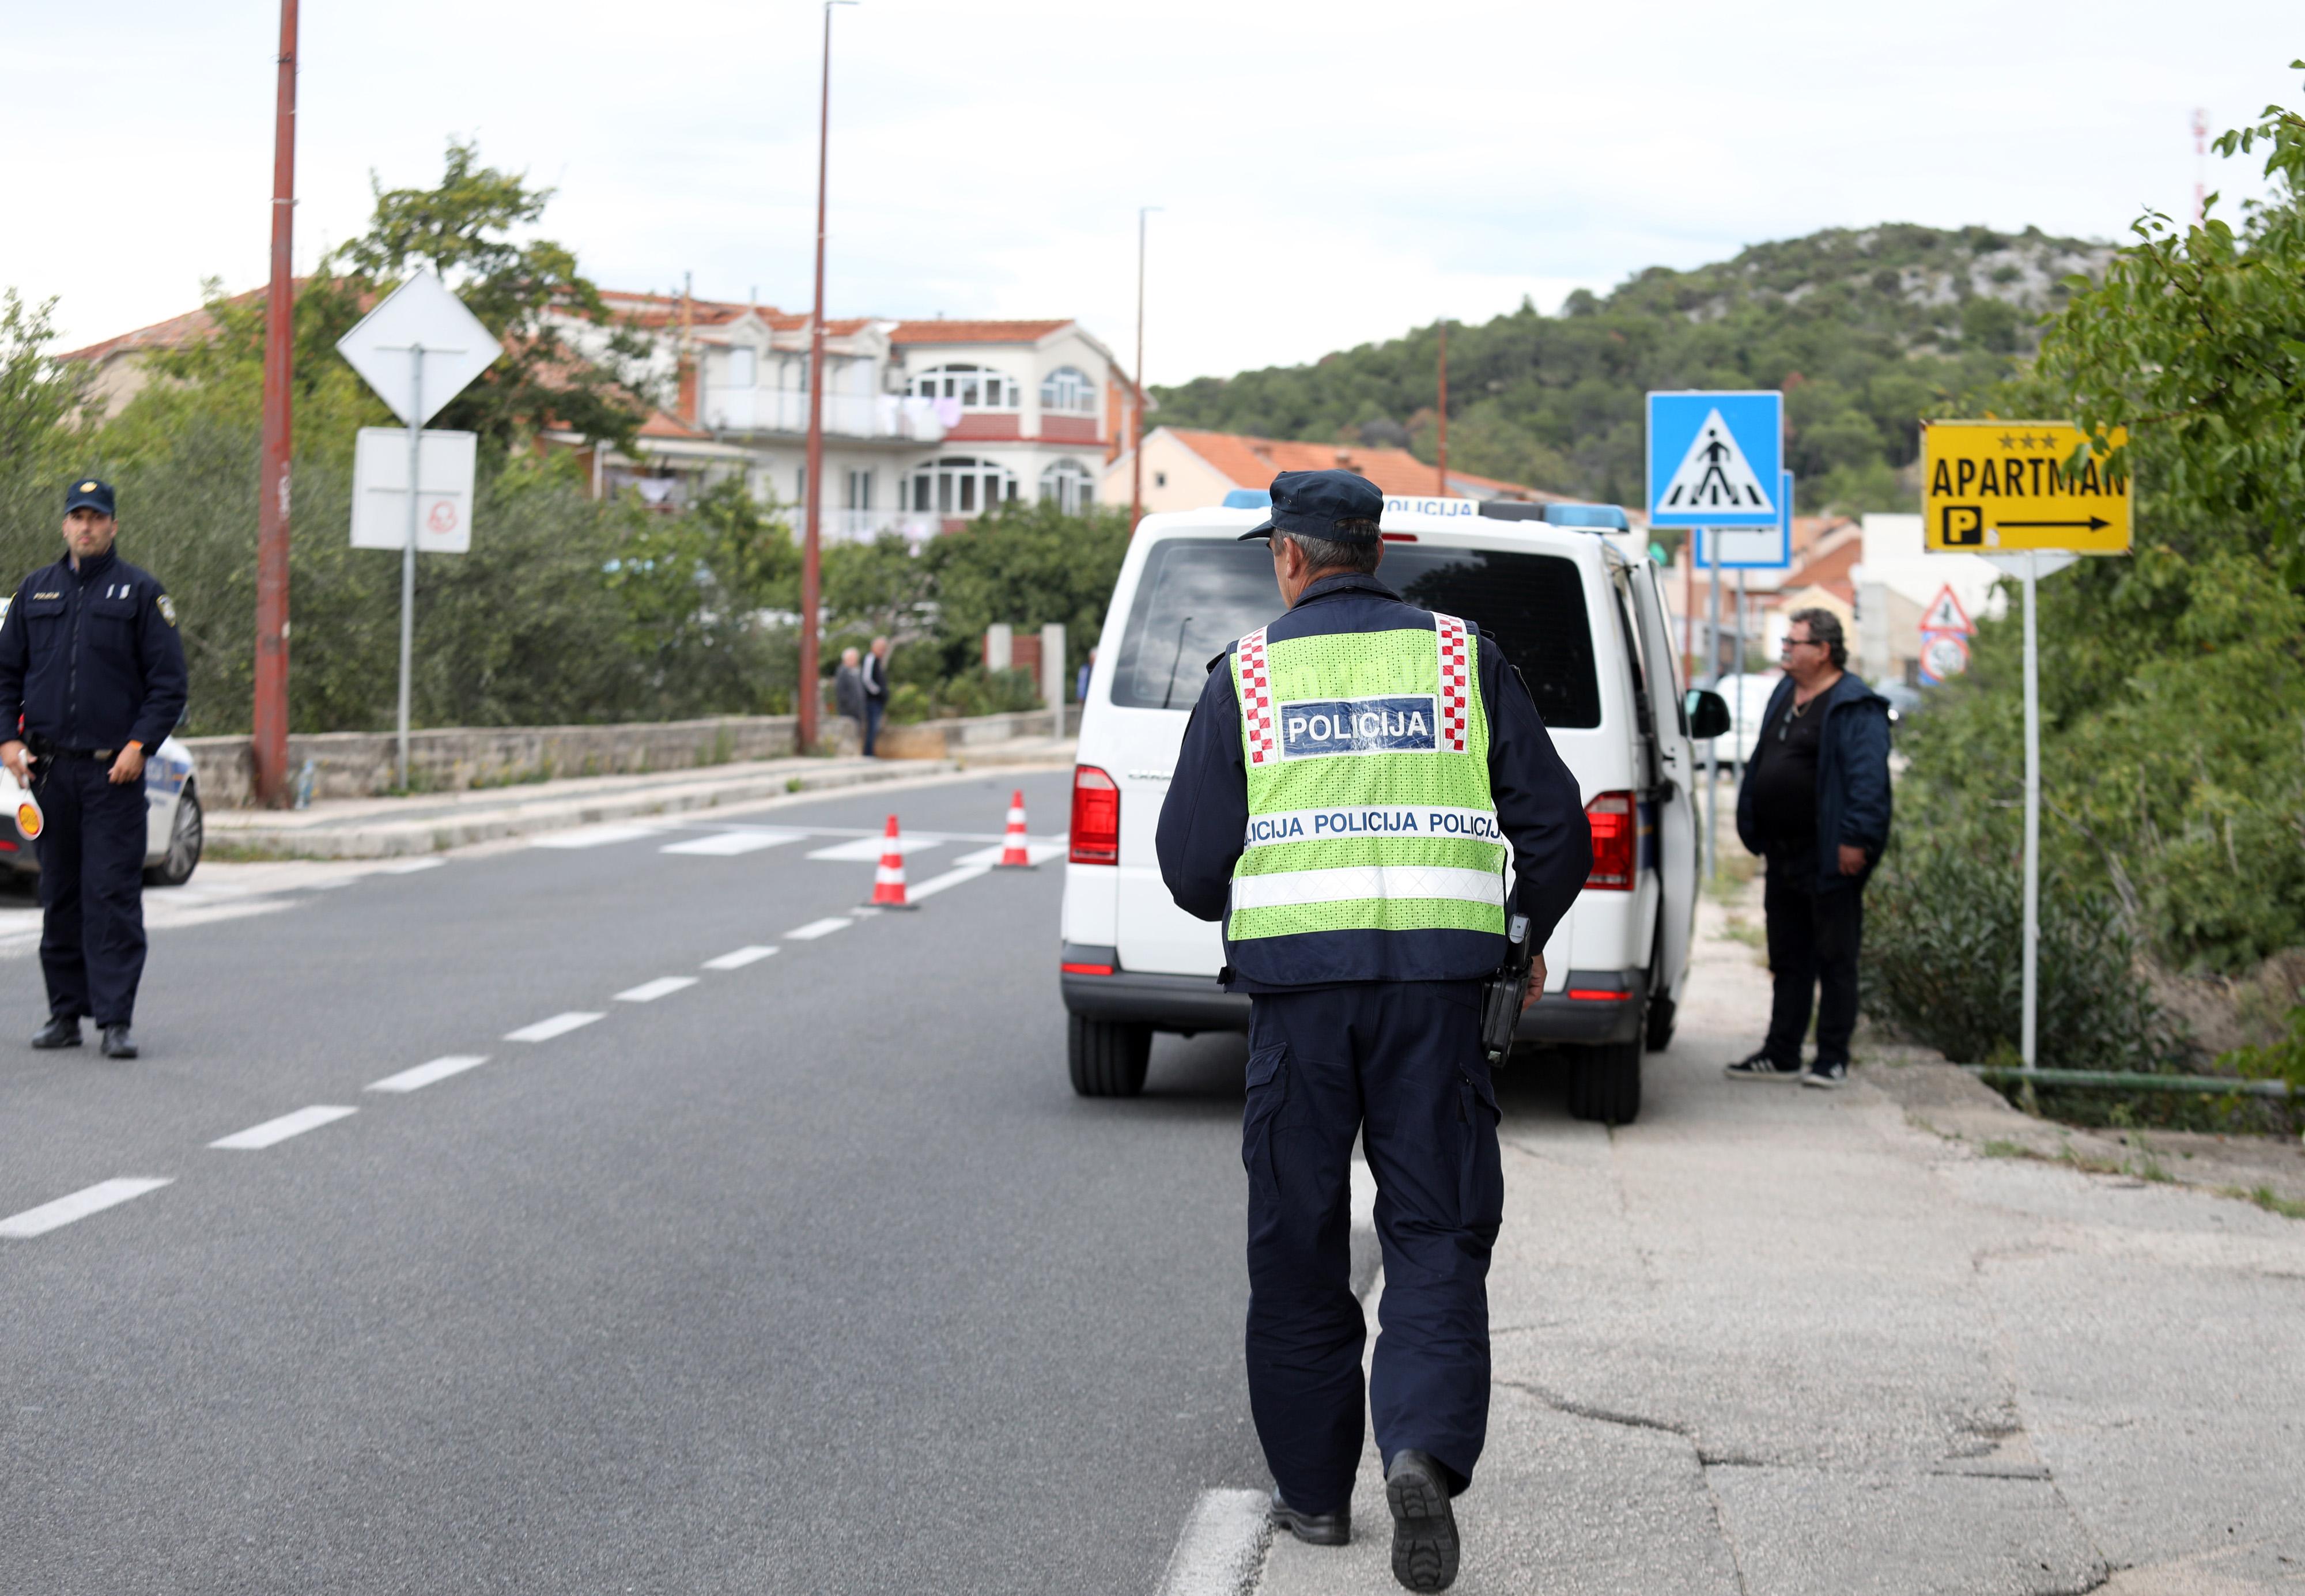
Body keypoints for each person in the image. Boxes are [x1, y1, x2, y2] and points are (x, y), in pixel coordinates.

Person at [1156, 469, 1590, 1592]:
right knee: (1434, 1229)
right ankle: (1418, 1448)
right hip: (1438, 996)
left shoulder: (1244, 675)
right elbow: (1556, 831)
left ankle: (1312, 1495)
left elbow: (1191, 871)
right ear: (1373, 548)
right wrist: (1521, 931)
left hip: (1298, 1000)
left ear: (1290, 556)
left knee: (1297, 1240)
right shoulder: (1460, 659)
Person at [0, 479, 188, 1060]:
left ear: (113, 526)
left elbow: (168, 684)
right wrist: (8, 740)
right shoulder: (36, 592)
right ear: (64, 525)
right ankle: (64, 1014)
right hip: (51, 775)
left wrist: (140, 745)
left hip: (115, 777)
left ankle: (115, 1020)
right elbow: (6, 677)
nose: (86, 527)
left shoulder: (140, 593)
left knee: (111, 896)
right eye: (77, 517)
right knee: (58, 895)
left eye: (97, 518)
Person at [1725, 608, 1891, 1089]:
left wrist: (1856, 840)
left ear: (1822, 650)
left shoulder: (1854, 706)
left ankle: (1833, 1056)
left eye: (1793, 643)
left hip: (1831, 855)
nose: (1785, 650)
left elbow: (1868, 782)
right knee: (1788, 956)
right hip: (1783, 852)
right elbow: (1764, 759)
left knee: (1835, 957)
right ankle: (1782, 1051)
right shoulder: (1785, 692)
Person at [860, 635, 890, 756]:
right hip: (872, 701)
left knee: (876, 727)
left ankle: (870, 751)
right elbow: (866, 679)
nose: (882, 651)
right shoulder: (870, 658)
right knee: (872, 727)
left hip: (877, 701)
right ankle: (868, 753)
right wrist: (879, 692)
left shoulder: (877, 661)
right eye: (881, 648)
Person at [833, 646, 867, 739]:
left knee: (856, 735)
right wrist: (850, 706)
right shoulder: (842, 672)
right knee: (848, 736)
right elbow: (840, 692)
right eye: (852, 659)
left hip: (857, 711)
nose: (855, 661)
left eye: (855, 659)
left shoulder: (855, 672)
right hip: (848, 711)